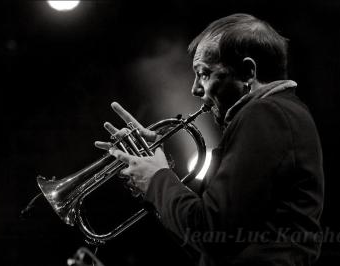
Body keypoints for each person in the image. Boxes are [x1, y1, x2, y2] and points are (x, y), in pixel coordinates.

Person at [95, 13, 324, 266]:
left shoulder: (265, 114)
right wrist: (155, 171)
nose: (194, 89)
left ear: (248, 72)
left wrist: (157, 179)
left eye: (203, 73)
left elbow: (209, 231)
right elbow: (207, 247)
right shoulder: (280, 114)